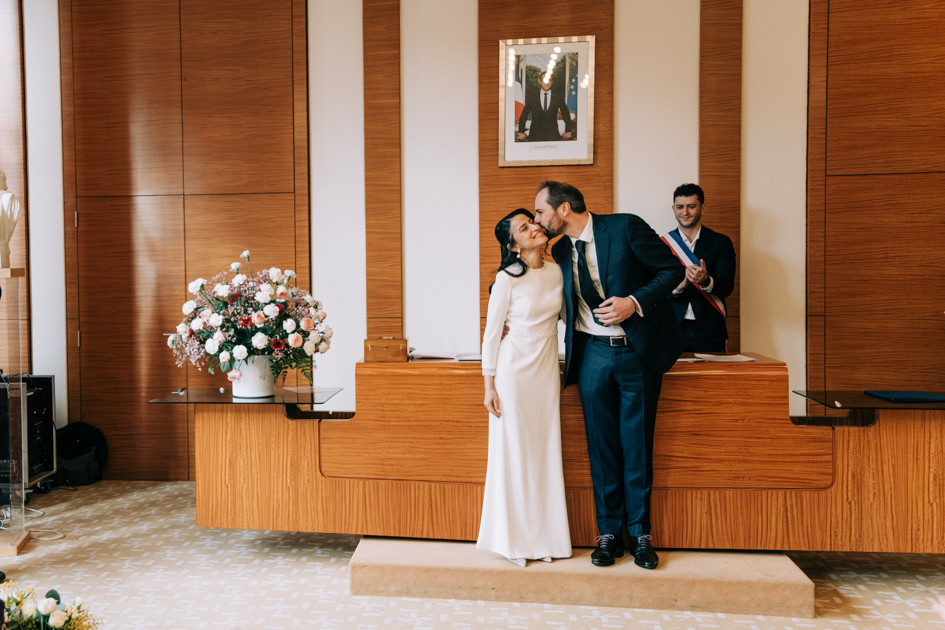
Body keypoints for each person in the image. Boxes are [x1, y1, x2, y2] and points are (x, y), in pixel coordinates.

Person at [533, 181, 683, 570]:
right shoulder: (561, 250)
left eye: (540, 212)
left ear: (563, 209)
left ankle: (641, 536)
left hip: (637, 353)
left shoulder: (624, 226)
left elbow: (671, 271)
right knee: (602, 451)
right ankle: (608, 535)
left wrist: (634, 303)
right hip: (592, 357)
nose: (538, 219)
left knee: (637, 447)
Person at [477, 208, 572, 567]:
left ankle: (546, 538)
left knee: (545, 451)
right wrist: (489, 385)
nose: (534, 227)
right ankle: (513, 540)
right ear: (512, 244)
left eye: (532, 222)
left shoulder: (556, 272)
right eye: (524, 227)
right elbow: (490, 336)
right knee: (515, 453)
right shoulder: (506, 279)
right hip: (512, 373)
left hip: (546, 371)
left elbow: (568, 317)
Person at [663, 183, 736, 353]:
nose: (685, 212)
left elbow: (727, 287)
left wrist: (706, 281)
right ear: (673, 208)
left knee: (712, 379)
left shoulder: (721, 242)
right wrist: (680, 286)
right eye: (680, 207)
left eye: (691, 206)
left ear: (703, 207)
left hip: (709, 329)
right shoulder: (662, 244)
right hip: (672, 328)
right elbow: (653, 289)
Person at [516, 72, 572, 142]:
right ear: (540, 82)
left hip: (553, 136)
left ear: (552, 82)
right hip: (535, 136)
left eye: (549, 80)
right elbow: (524, 114)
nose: (547, 83)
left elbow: (566, 113)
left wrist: (568, 131)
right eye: (544, 80)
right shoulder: (532, 97)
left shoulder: (558, 97)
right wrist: (521, 131)